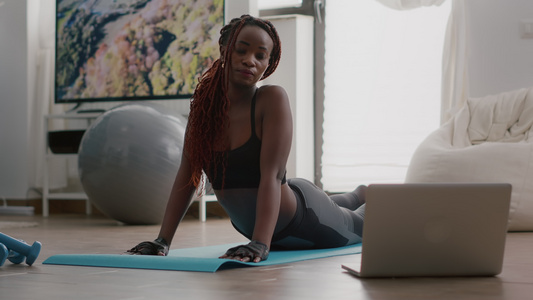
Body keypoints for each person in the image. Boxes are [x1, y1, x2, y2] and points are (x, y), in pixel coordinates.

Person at [127, 15, 366, 263]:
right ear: (224, 50)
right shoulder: (204, 109)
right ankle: (356, 195)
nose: (249, 60)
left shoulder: (270, 99)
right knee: (341, 203)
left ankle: (364, 195)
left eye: (260, 56)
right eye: (241, 50)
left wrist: (260, 243)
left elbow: (272, 176)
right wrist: (162, 240)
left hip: (305, 219)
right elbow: (188, 175)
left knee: (363, 223)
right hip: (261, 225)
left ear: (268, 64)